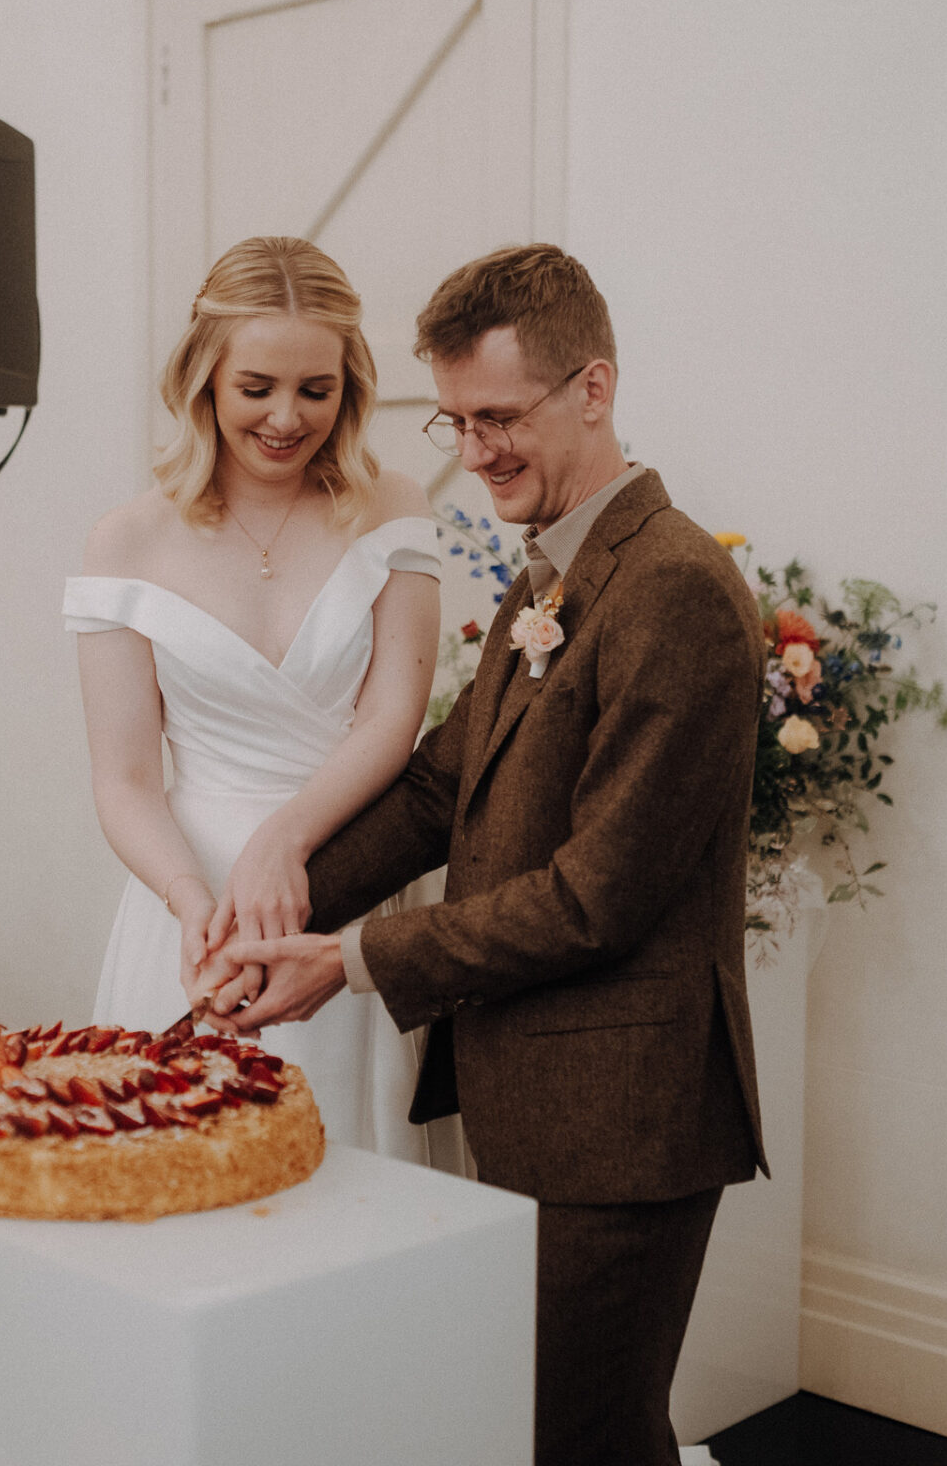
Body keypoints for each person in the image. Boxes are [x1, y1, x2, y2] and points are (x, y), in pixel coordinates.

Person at [197, 243, 767, 1466]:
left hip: (623, 1118)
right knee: (551, 1430)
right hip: (536, 1096)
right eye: (456, 420)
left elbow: (593, 898)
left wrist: (345, 958)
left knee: (582, 1439)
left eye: (500, 416)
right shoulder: (551, 571)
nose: (475, 451)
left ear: (594, 389)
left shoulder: (674, 589)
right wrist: (269, 900)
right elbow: (440, 788)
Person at [64, 235, 442, 1158]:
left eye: (315, 390)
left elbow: (393, 718)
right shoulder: (127, 543)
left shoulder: (394, 507)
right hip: (191, 907)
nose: (285, 417)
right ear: (205, 379)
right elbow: (124, 781)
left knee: (352, 1183)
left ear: (349, 385)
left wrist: (287, 839)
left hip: (350, 886)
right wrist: (192, 901)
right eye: (256, 388)